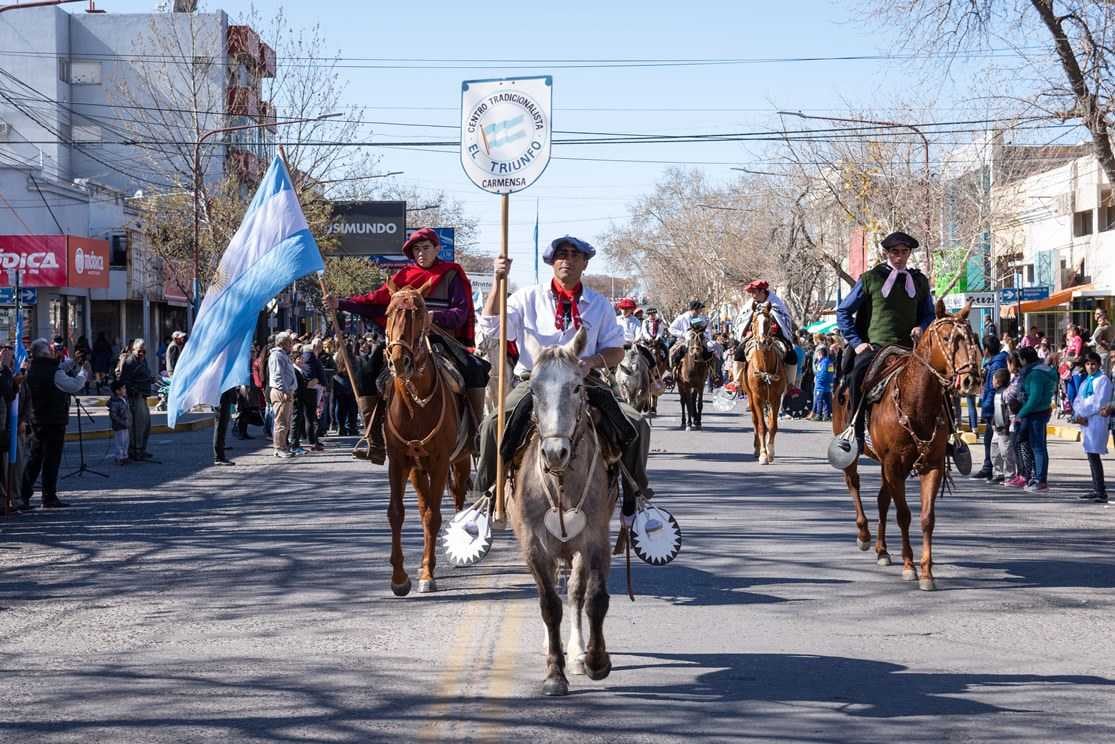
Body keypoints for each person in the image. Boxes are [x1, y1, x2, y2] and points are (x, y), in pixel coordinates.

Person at [471, 235, 654, 506]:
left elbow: (616, 351)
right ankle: (484, 498)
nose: (566, 259)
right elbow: (491, 329)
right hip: (535, 382)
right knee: (492, 424)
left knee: (637, 424)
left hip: (584, 381)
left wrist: (590, 362)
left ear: (585, 264)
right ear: (551, 262)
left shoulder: (600, 304)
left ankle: (634, 500)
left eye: (573, 255)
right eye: (561, 254)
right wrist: (498, 283)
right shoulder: (527, 297)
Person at [324, 227, 489, 464]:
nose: (421, 253)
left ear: (437, 248)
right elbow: (373, 302)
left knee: (474, 369)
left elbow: (461, 312)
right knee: (367, 372)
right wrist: (340, 303)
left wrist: (433, 316)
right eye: (416, 249)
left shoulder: (452, 273)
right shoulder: (401, 278)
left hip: (440, 338)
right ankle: (374, 440)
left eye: (426, 248)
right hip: (406, 339)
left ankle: (476, 434)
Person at [834, 231, 935, 452]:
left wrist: (922, 326)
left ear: (909, 253)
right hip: (877, 348)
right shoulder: (870, 278)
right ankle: (855, 432)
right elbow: (843, 311)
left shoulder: (919, 281)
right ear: (887, 253)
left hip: (911, 349)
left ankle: (948, 437)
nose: (900, 256)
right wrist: (857, 342)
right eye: (895, 252)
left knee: (939, 377)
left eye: (904, 252)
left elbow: (929, 313)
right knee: (859, 375)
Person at [20, 338, 86, 509]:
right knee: (51, 459)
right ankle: (49, 497)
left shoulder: (33, 368)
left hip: (38, 418)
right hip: (54, 420)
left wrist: (72, 362)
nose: (52, 351)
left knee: (35, 458)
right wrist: (83, 372)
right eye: (50, 349)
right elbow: (73, 385)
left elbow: (56, 370)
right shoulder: (52, 371)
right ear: (45, 353)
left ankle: (24, 494)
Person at [1015, 345, 1057, 493]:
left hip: (1036, 412)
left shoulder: (1035, 374)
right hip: (1042, 409)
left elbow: (1034, 398)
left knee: (1038, 447)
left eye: (1020, 359)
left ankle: (1041, 480)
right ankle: (1039, 477)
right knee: (1039, 446)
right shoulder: (1045, 369)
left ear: (1024, 359)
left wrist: (1021, 413)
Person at [1072, 351, 1111, 503]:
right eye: (1087, 364)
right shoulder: (1086, 381)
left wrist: (1083, 414)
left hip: (1095, 421)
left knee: (1094, 456)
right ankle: (1097, 488)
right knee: (1090, 455)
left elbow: (1098, 402)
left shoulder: (1103, 380)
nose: (1090, 367)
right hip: (1086, 421)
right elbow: (1078, 400)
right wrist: (1078, 414)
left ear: (1099, 364)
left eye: (1093, 363)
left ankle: (1101, 491)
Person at [971, 336, 1009, 480]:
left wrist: (986, 409)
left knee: (995, 440)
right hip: (995, 405)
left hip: (996, 407)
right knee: (991, 439)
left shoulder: (996, 364)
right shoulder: (995, 362)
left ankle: (996, 470)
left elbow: (993, 389)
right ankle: (989, 467)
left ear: (986, 350)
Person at [118, 339, 155, 462]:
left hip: (143, 395)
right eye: (139, 351)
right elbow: (124, 380)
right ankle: (135, 451)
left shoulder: (142, 360)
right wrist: (134, 390)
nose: (142, 353)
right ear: (133, 350)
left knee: (146, 425)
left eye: (144, 351)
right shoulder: (129, 362)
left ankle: (142, 449)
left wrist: (150, 379)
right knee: (138, 426)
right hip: (135, 397)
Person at [268, 332, 297, 458]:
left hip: (287, 391)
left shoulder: (283, 355)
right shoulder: (277, 355)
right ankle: (279, 448)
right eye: (289, 342)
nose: (291, 345)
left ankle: (284, 446)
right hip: (281, 392)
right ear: (283, 343)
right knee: (281, 422)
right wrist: (285, 391)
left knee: (286, 421)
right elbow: (278, 375)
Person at [988, 368, 1016, 485]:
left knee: (1006, 452)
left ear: (998, 381)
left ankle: (1010, 475)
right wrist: (993, 423)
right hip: (997, 427)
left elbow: (1009, 411)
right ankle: (998, 473)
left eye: (993, 380)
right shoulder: (997, 393)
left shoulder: (1006, 393)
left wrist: (1009, 425)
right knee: (995, 451)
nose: (992, 382)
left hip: (1004, 428)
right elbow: (996, 410)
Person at [213, 387, 237, 466]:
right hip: (222, 399)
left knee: (221, 427)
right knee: (220, 427)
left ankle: (220, 451)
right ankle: (219, 457)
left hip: (221, 398)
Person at [810, 345, 835, 421]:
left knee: (819, 400)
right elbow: (831, 373)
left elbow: (822, 373)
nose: (817, 357)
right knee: (827, 401)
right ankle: (826, 415)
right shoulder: (829, 362)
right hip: (827, 385)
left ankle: (819, 415)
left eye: (817, 355)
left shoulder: (822, 363)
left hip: (821, 386)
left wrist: (818, 381)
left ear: (820, 354)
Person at [109, 380, 131, 465]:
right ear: (117, 391)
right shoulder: (115, 402)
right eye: (123, 388)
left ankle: (125, 456)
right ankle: (119, 457)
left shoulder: (124, 399)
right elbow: (114, 415)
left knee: (126, 441)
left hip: (125, 424)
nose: (125, 390)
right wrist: (122, 422)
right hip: (119, 425)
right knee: (119, 442)